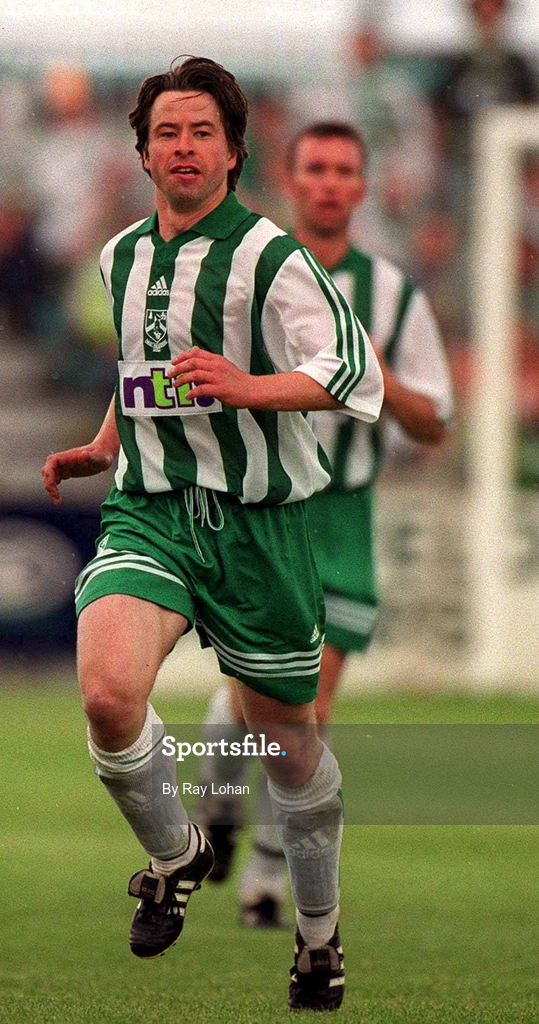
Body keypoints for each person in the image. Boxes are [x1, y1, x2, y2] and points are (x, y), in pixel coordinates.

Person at [42, 60, 383, 1012]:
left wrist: (249, 385)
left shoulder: (270, 255)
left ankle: (317, 939)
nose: (182, 147)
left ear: (233, 151)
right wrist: (101, 444)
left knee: (290, 749)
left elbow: (353, 370)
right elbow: (140, 367)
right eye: (165, 132)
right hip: (150, 511)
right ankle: (178, 853)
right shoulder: (120, 257)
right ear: (141, 149)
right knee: (109, 697)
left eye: (200, 132)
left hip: (261, 529)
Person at [197, 121, 453, 927]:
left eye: (345, 169)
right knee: (254, 696)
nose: (330, 182)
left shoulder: (392, 294)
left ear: (363, 186)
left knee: (309, 703)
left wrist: (378, 380)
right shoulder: (250, 275)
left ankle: (266, 881)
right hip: (265, 506)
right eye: (316, 168)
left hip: (341, 515)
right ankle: (222, 783)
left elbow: (433, 424)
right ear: (290, 177)